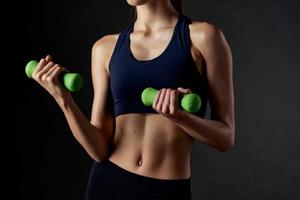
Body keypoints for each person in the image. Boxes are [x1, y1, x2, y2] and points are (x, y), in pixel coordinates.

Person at [32, 0, 235, 199]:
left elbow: (225, 138)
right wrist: (63, 98)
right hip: (107, 183)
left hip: (166, 190)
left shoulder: (204, 37)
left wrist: (181, 117)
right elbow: (98, 150)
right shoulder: (105, 48)